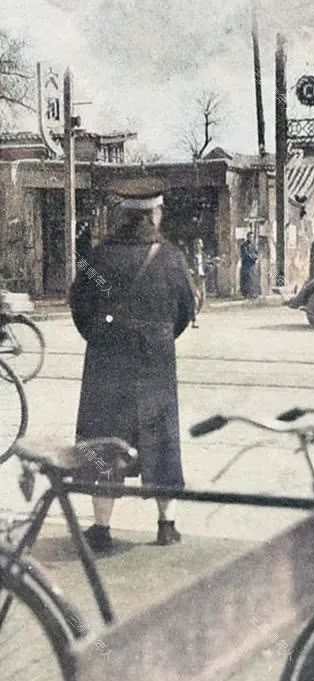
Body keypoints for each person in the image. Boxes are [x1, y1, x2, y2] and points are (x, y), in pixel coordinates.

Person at [69, 182, 195, 552]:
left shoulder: (97, 257)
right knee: (162, 441)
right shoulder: (171, 257)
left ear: (121, 216)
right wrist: (157, 337)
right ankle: (166, 525)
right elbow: (185, 311)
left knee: (104, 441)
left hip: (107, 363)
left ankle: (102, 528)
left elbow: (79, 307)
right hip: (154, 362)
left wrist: (104, 338)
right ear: (155, 214)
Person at [240, 234, 260, 298]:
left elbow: (257, 253)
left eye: (252, 237)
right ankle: (246, 294)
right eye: (250, 237)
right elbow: (246, 254)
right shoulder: (244, 245)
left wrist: (256, 257)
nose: (251, 238)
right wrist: (253, 256)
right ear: (247, 237)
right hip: (246, 265)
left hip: (252, 265)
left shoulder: (254, 245)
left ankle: (253, 293)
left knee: (253, 279)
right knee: (246, 279)